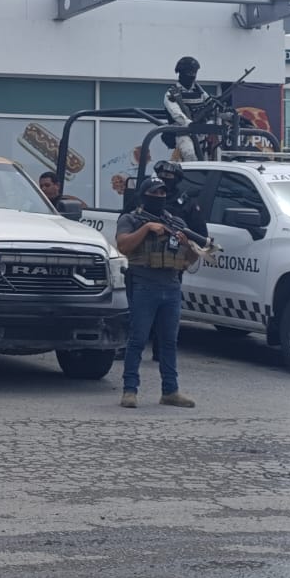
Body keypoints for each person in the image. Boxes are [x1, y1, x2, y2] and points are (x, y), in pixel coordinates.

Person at [116, 176, 200, 409]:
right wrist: (146, 229)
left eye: (162, 193)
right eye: (154, 193)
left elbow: (190, 260)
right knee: (138, 340)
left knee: (169, 342)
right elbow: (123, 245)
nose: (159, 197)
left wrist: (186, 244)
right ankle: (130, 390)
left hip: (171, 286)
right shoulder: (131, 219)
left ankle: (170, 391)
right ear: (144, 196)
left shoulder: (175, 222)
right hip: (144, 285)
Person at [164, 56, 211, 162]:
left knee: (212, 155)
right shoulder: (172, 93)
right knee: (189, 153)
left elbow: (211, 104)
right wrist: (189, 124)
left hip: (200, 132)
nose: (192, 75)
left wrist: (229, 115)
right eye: (189, 72)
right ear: (181, 73)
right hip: (182, 132)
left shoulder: (200, 91)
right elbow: (176, 114)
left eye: (194, 72)